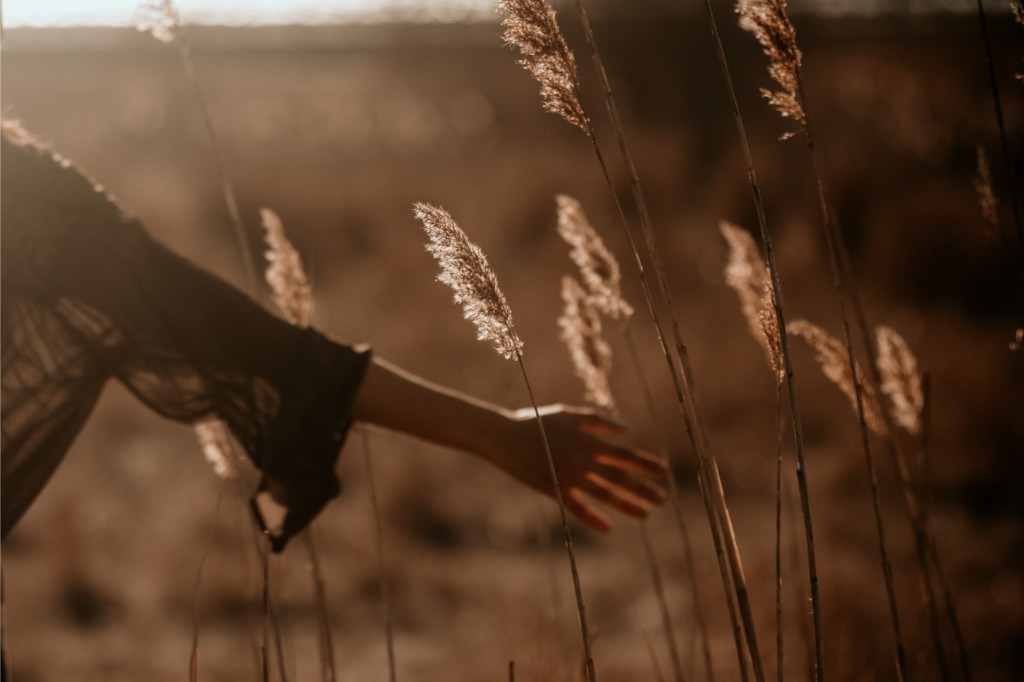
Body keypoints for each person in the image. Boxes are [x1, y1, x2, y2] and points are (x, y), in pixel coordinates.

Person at [0, 119, 666, 555]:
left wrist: (499, 433)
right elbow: (251, 345)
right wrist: (496, 433)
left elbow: (240, 339)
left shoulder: (28, 196)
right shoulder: (29, 199)